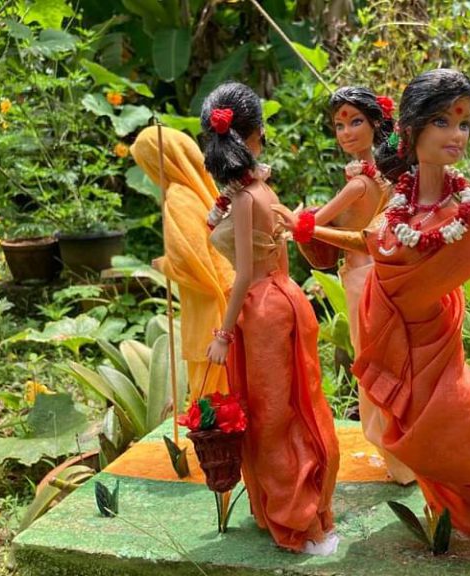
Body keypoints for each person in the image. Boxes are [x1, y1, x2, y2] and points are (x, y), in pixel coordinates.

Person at [275, 69, 470, 538]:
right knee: (409, 427)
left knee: (446, 427)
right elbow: (371, 240)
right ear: (411, 129)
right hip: (392, 330)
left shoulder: (457, 210)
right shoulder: (398, 202)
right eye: (443, 122)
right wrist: (312, 230)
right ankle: (440, 509)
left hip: (435, 336)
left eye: (463, 123)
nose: (457, 135)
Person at [201, 82, 340, 554]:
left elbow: (242, 275)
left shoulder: (245, 199)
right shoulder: (257, 189)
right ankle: (306, 505)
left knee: (270, 417)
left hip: (261, 308)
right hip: (285, 296)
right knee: (294, 407)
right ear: (256, 134)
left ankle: (294, 514)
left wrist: (223, 332)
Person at [292, 86, 415, 485]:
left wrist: (291, 219)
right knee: (388, 360)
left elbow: (311, 228)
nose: (345, 132)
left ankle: (397, 455)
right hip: (379, 275)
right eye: (339, 125)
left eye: (355, 121)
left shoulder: (361, 183)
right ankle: (404, 454)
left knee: (371, 363)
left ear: (376, 124)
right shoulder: (390, 179)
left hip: (364, 278)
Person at [131, 126, 234, 401]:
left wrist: (164, 265)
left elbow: (193, 263)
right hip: (226, 298)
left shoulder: (178, 198)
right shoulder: (201, 190)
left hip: (208, 306)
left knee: (211, 392)